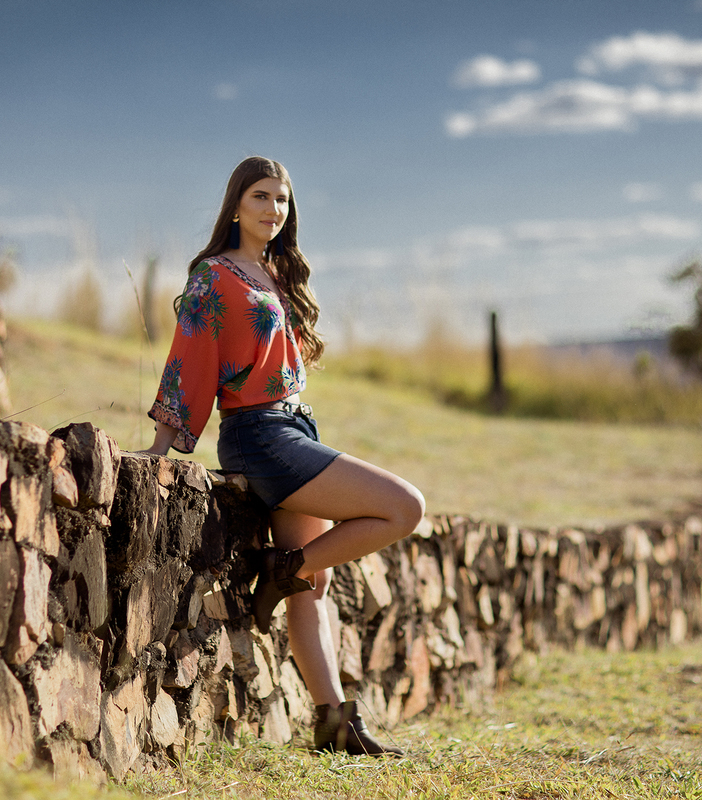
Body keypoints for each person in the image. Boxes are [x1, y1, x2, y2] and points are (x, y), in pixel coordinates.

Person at [143, 156, 424, 757]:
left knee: (313, 584)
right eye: (261, 196)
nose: (273, 209)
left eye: (282, 199)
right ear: (235, 204)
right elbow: (189, 356)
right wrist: (163, 445)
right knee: (405, 507)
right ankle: (279, 567)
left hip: (294, 427)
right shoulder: (214, 274)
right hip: (259, 435)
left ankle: (334, 725)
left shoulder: (273, 272)